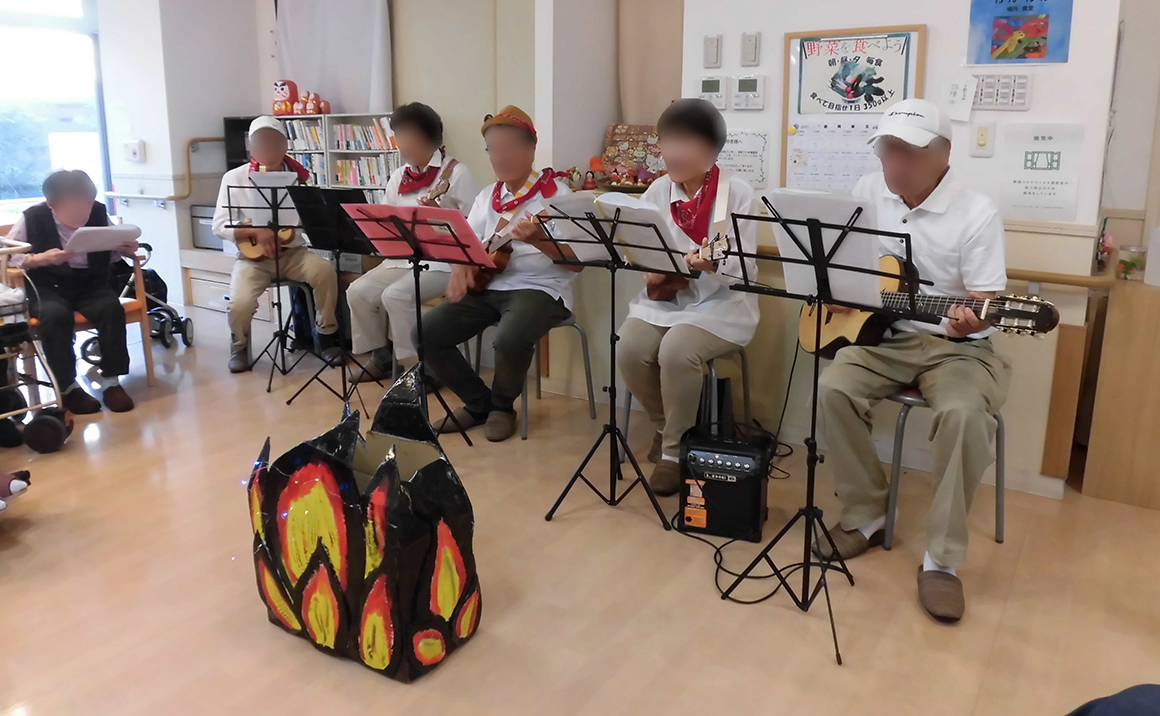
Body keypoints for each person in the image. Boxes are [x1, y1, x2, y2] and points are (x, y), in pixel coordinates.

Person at [814, 99, 1010, 624]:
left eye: (908, 152)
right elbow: (842, 263)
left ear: (943, 155)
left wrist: (973, 321)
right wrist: (837, 292)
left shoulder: (977, 212)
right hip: (885, 337)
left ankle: (941, 560)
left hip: (957, 349)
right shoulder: (867, 191)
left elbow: (986, 302)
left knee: (965, 416)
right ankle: (867, 514)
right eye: (887, 150)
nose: (894, 163)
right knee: (834, 388)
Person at [616, 99, 759, 496]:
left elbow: (746, 268)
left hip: (721, 305)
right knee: (628, 347)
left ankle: (674, 452)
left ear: (712, 149)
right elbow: (643, 245)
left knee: (677, 350)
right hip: (665, 301)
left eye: (685, 142)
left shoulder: (735, 193)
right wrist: (648, 265)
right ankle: (666, 426)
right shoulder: (657, 190)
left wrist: (713, 264)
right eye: (667, 142)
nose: (673, 153)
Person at [415, 106, 582, 443]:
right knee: (425, 332)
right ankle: (479, 403)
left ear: (531, 149)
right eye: (494, 149)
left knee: (509, 337)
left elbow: (576, 262)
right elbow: (470, 245)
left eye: (510, 148)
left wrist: (540, 240)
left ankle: (503, 407)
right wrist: (460, 267)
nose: (501, 157)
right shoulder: (487, 197)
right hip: (489, 285)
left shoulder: (558, 197)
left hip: (542, 288)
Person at [347, 102, 478, 383]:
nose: (403, 144)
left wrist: (441, 215)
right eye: (399, 136)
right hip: (403, 259)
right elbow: (385, 219)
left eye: (410, 136)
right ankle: (381, 357)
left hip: (445, 264)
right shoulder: (399, 176)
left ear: (430, 138)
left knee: (395, 296)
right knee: (357, 291)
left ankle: (424, 368)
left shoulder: (457, 173)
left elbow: (476, 228)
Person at [212, 116, 342, 373]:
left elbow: (308, 222)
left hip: (293, 254)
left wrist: (313, 219)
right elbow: (219, 226)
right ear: (251, 146)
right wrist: (256, 231)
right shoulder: (233, 178)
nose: (267, 147)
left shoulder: (299, 177)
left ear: (285, 146)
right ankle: (239, 346)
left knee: (325, 271)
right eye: (260, 142)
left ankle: (326, 337)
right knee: (239, 304)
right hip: (252, 259)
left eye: (273, 141)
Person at [6, 170, 137, 413]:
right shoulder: (33, 217)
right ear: (51, 204)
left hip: (90, 283)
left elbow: (112, 249)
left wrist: (125, 249)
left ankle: (111, 381)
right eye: (72, 205)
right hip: (47, 286)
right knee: (55, 316)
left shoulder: (98, 213)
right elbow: (8, 257)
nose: (81, 211)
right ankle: (67, 388)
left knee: (111, 309)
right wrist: (40, 259)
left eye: (85, 204)